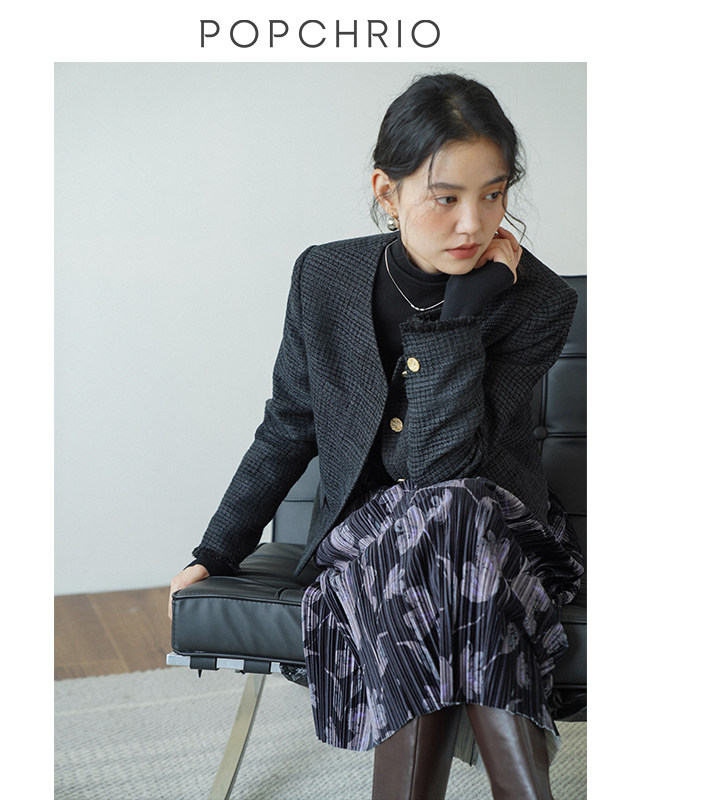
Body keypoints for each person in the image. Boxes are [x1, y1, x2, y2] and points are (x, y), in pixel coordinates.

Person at [170, 72, 584, 800]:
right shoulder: (325, 277)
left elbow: (441, 467)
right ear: (386, 193)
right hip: (366, 540)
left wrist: (460, 317)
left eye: (493, 195)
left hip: (501, 535)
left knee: (448, 515)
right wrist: (216, 552)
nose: (474, 224)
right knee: (439, 544)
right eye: (445, 198)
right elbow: (289, 424)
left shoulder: (539, 300)